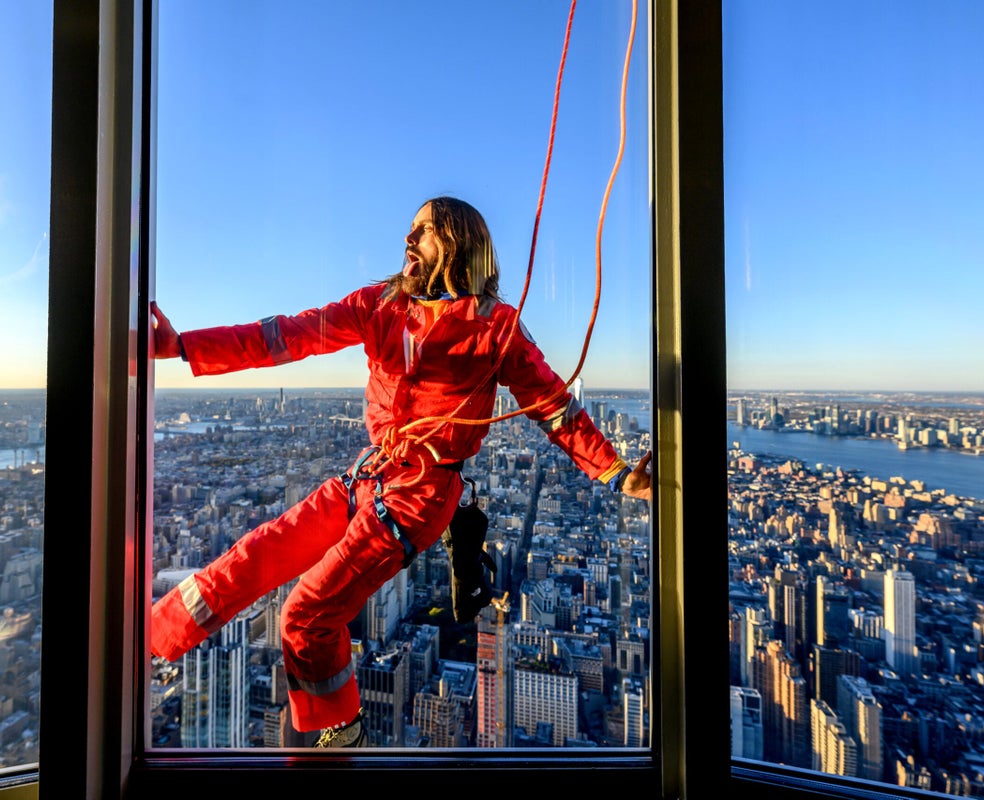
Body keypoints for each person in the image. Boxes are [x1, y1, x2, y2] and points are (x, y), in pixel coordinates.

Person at [149, 195, 652, 748]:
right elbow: (287, 335)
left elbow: (554, 406)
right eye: (410, 230)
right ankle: (150, 637)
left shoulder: (495, 327)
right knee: (257, 554)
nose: (409, 240)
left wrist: (618, 473)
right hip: (369, 474)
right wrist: (182, 347)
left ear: (458, 243)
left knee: (306, 613)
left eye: (425, 231)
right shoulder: (381, 305)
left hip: (422, 493)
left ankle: (337, 731)